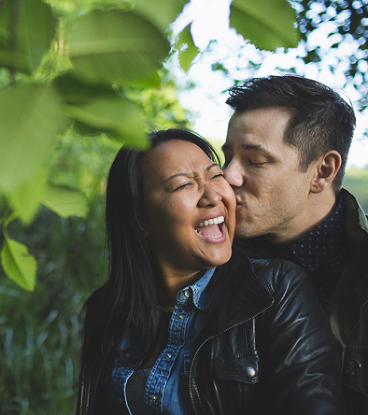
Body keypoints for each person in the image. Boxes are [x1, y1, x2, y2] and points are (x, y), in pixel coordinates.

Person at [76, 128, 344, 415]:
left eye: (216, 175)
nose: (213, 196)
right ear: (140, 218)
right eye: (183, 185)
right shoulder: (106, 311)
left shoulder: (275, 290)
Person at [222, 75, 368, 414]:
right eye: (227, 156)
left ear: (322, 171)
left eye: (255, 161)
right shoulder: (204, 263)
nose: (228, 176)